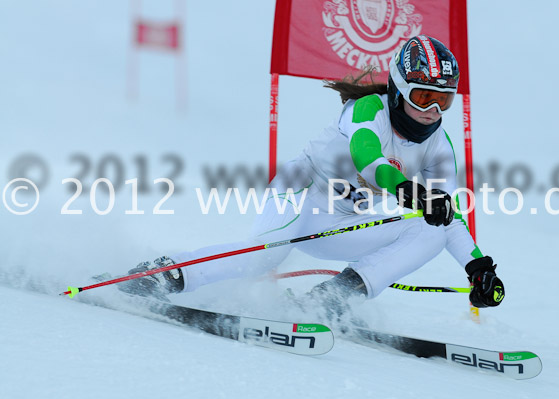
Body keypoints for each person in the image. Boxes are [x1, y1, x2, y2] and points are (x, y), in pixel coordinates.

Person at [119, 35, 505, 318]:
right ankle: (159, 276)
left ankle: (328, 300)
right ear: (400, 88)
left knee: (432, 228)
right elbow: (368, 158)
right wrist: (409, 190)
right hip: (299, 195)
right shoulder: (368, 109)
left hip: (342, 222)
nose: (434, 109)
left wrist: (478, 268)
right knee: (261, 257)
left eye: (445, 99)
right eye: (424, 97)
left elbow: (446, 214)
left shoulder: (439, 144)